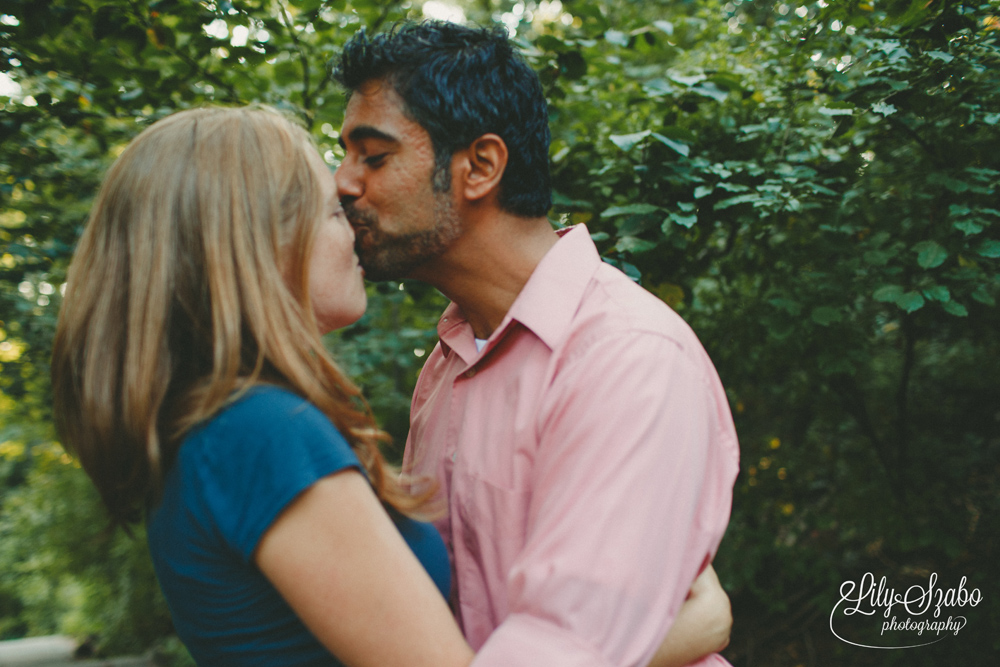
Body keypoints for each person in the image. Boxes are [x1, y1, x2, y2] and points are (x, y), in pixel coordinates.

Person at [50, 106, 727, 666]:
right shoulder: (262, 433)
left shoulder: (212, 427)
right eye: (331, 211)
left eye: (370, 164)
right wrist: (679, 634)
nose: (352, 223)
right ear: (258, 242)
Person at [332, 20, 741, 667]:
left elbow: (564, 645)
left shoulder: (628, 359)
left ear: (481, 166)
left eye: (373, 156)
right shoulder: (447, 365)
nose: (343, 182)